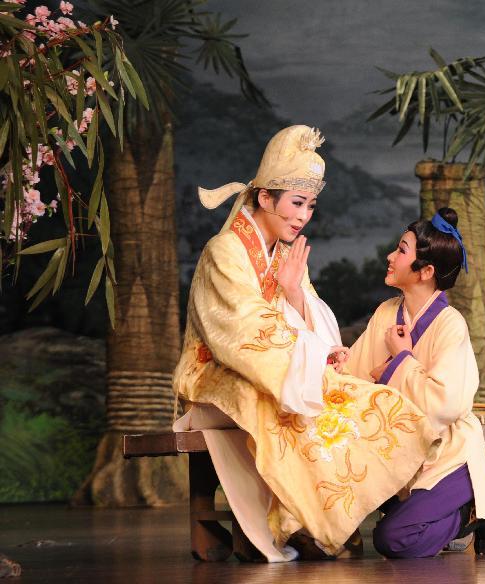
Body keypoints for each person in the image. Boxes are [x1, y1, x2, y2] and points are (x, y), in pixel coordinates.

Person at [172, 125, 437, 562]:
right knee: (279, 405)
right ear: (264, 198)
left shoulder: (285, 254)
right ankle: (293, 524)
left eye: (310, 205)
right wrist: (307, 359)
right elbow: (241, 332)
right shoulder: (224, 252)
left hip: (280, 366)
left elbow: (311, 319)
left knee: (363, 399)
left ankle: (328, 518)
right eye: (296, 203)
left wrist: (295, 295)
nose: (303, 216)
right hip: (216, 373)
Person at [344, 207, 485, 558]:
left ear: (426, 271)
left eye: (401, 250)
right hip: (398, 452)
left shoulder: (450, 324)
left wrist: (401, 360)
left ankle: (477, 506)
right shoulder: (386, 313)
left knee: (392, 540)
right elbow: (355, 374)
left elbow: (446, 404)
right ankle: (446, 514)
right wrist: (338, 364)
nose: (390, 257)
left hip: (446, 454)